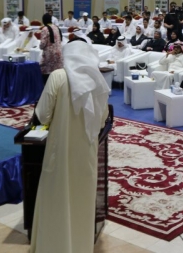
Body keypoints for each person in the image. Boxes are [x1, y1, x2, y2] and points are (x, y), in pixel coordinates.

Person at [29, 41, 109, 253]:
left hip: (60, 152)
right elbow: (102, 121)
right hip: (87, 154)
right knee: (81, 201)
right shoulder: (98, 81)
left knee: (57, 198)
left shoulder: (58, 77)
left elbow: (42, 115)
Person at [38, 13, 64, 84]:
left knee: (46, 74)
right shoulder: (56, 28)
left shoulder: (45, 29)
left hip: (50, 56)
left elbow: (42, 44)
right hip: (59, 54)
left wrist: (40, 46)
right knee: (57, 73)